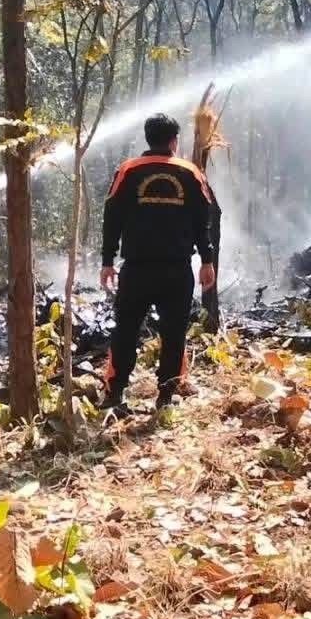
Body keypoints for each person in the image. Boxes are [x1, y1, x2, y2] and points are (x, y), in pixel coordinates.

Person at [99, 113, 217, 414]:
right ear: (174, 141)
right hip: (176, 270)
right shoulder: (190, 172)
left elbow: (112, 217)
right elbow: (202, 221)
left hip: (136, 269)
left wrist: (107, 261)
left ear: (148, 137)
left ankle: (114, 395)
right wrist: (207, 261)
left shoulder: (128, 170)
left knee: (126, 331)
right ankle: (166, 397)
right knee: (173, 333)